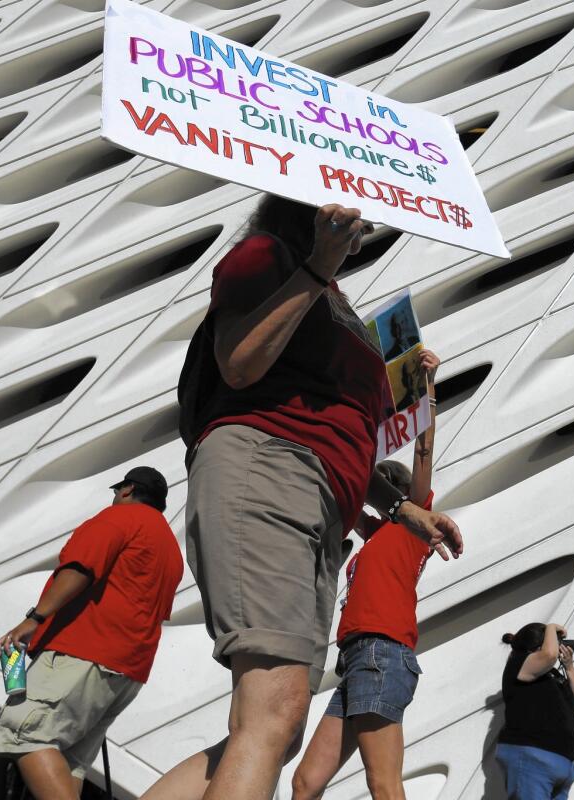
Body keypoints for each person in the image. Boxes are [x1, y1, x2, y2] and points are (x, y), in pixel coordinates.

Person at [146, 196, 462, 800]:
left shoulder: (331, 295)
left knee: (275, 725)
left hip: (319, 503)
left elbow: (343, 431)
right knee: (275, 709)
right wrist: (317, 266)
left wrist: (402, 507)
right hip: (270, 469)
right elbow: (239, 364)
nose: (363, 212)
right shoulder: (269, 257)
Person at [292, 349, 441, 800]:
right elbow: (344, 493)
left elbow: (423, 452)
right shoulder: (374, 536)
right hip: (357, 657)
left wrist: (428, 389)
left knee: (383, 783)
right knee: (305, 783)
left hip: (382, 651)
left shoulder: (411, 527)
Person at [0, 467, 183, 799]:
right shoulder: (169, 548)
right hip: (127, 670)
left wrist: (34, 618)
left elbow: (81, 568)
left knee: (24, 734)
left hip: (83, 653)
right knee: (69, 760)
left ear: (126, 490)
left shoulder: (118, 519)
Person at [494, 622, 574, 800]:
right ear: (537, 646)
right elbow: (549, 655)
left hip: (563, 763)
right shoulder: (518, 664)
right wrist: (551, 627)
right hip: (532, 758)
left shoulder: (552, 674)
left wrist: (569, 667)